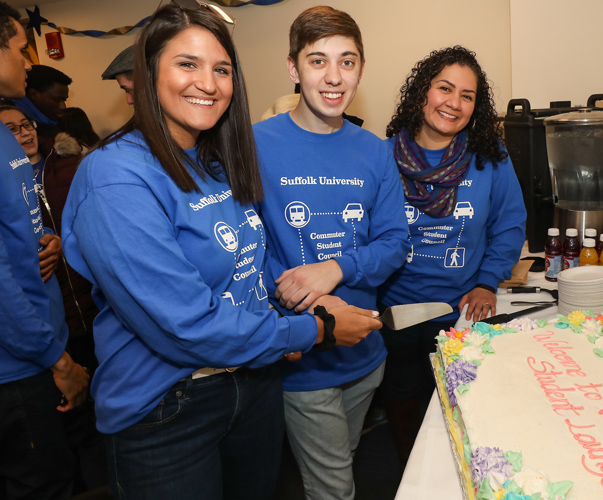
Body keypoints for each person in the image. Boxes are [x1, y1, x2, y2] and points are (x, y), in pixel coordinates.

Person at [60, 4, 381, 499]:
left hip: (251, 384)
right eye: (187, 64)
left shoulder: (216, 162)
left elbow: (246, 275)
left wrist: (305, 301)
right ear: (148, 74)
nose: (207, 83)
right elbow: (185, 326)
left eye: (222, 69)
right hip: (170, 407)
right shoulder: (115, 177)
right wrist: (319, 327)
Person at [253, 6, 409, 499]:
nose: (334, 76)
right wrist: (313, 300)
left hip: (366, 355)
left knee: (344, 460)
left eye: (347, 61)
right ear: (293, 68)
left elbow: (394, 243)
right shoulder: (253, 145)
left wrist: (335, 268)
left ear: (361, 69)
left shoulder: (375, 150)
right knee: (334, 487)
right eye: (318, 61)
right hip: (304, 360)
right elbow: (248, 252)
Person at [379, 45, 527, 466]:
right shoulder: (381, 157)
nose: (454, 103)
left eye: (467, 95)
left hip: (461, 311)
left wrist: (486, 281)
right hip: (395, 313)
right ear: (422, 92)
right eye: (445, 88)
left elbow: (509, 225)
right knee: (406, 411)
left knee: (467, 415)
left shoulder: (490, 159)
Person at [0, 3, 91, 499]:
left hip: (38, 348)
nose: (26, 63)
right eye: (18, 49)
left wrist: (44, 237)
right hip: (18, 365)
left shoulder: (7, 142)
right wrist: (57, 359)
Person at [11, 64, 71, 138]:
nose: (63, 107)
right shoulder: (13, 126)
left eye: (64, 100)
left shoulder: (57, 122)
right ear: (34, 94)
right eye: (57, 99)